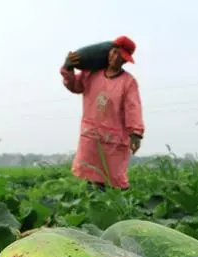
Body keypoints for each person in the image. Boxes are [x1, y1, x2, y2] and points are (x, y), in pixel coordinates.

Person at [61, 36, 145, 190]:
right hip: (91, 136)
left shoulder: (128, 82)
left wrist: (136, 133)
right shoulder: (91, 74)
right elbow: (74, 86)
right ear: (109, 52)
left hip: (115, 140)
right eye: (114, 53)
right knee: (90, 178)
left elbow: (133, 108)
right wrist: (68, 68)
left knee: (115, 181)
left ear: (126, 61)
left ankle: (121, 210)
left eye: (121, 57)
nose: (116, 58)